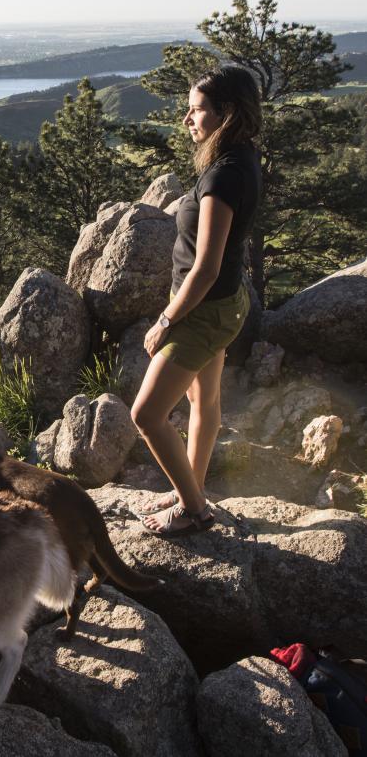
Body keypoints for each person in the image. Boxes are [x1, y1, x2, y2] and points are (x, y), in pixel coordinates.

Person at [131, 66, 262, 536]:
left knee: (146, 414)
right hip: (225, 303)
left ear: (225, 114)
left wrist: (166, 319)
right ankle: (194, 487)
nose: (187, 118)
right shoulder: (240, 157)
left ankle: (193, 510)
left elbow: (205, 266)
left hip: (202, 311)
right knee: (203, 399)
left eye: (197, 109)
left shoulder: (223, 177)